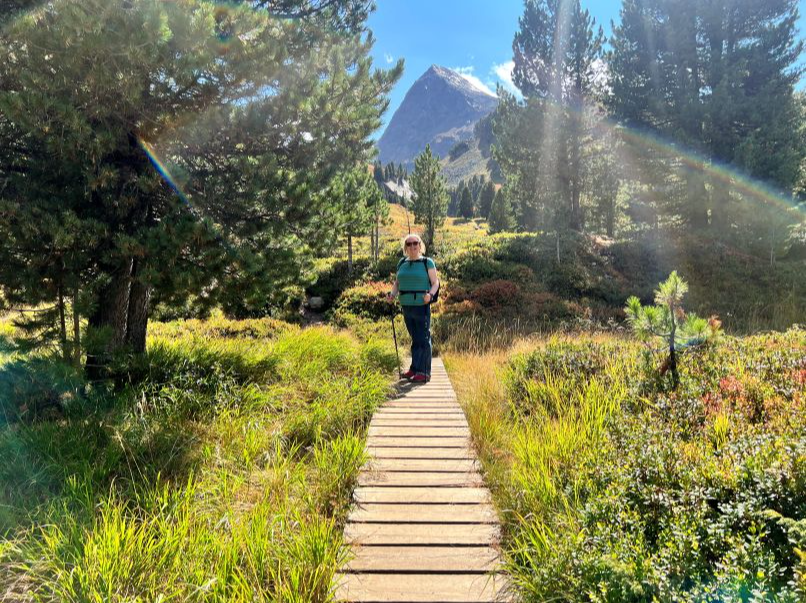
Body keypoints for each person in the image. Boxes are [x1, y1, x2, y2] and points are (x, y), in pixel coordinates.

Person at [387, 234, 439, 383]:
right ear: (405, 247)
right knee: (415, 338)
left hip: (421, 305)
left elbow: (435, 282)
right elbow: (397, 283)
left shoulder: (427, 262)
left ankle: (424, 372)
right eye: (409, 244)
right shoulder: (402, 262)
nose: (412, 246)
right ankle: (414, 369)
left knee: (423, 338)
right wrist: (392, 295)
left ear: (420, 245)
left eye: (415, 243)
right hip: (406, 305)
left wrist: (430, 295)